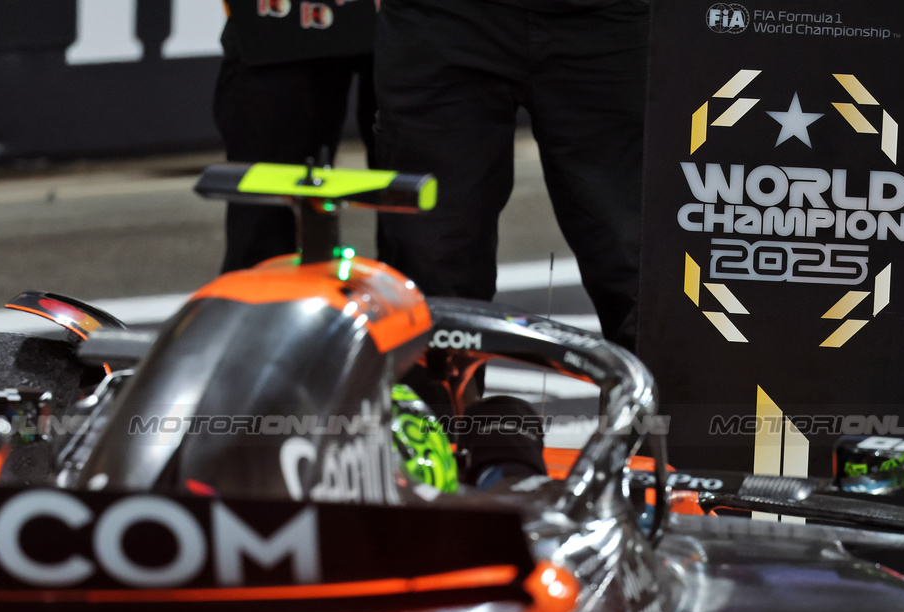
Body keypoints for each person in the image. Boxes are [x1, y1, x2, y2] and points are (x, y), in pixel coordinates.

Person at [372, 0, 650, 351]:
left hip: (607, 21)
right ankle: (438, 387)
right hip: (442, 18)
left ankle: (662, 388)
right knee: (432, 269)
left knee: (639, 266)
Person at [213, 0, 379, 272]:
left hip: (416, 20)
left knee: (426, 209)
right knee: (268, 217)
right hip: (277, 22)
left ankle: (429, 297)